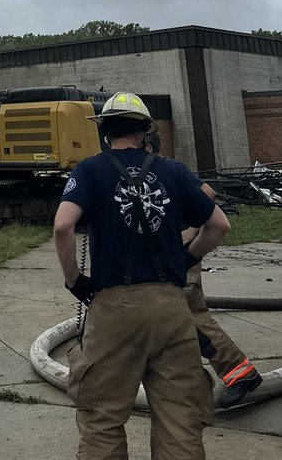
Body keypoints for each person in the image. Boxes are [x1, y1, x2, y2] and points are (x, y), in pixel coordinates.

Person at [54, 92, 230, 460]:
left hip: (113, 310)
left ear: (105, 133)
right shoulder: (172, 170)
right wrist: (186, 258)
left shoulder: (89, 170)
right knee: (180, 418)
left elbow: (63, 227)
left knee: (102, 417)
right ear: (144, 131)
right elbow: (217, 225)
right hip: (170, 309)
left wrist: (74, 280)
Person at [144, 131, 263, 408]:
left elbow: (207, 193)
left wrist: (191, 232)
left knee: (192, 316)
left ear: (148, 145)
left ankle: (241, 375)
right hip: (165, 259)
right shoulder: (151, 174)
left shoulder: (169, 169)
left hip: (180, 259)